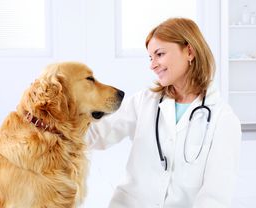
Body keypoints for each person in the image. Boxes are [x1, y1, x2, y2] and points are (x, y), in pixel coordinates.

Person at [87, 17, 242, 208]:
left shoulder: (223, 120)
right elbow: (96, 134)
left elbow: (216, 194)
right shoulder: (145, 102)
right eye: (150, 57)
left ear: (190, 51)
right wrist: (51, 120)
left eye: (159, 54)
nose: (152, 65)